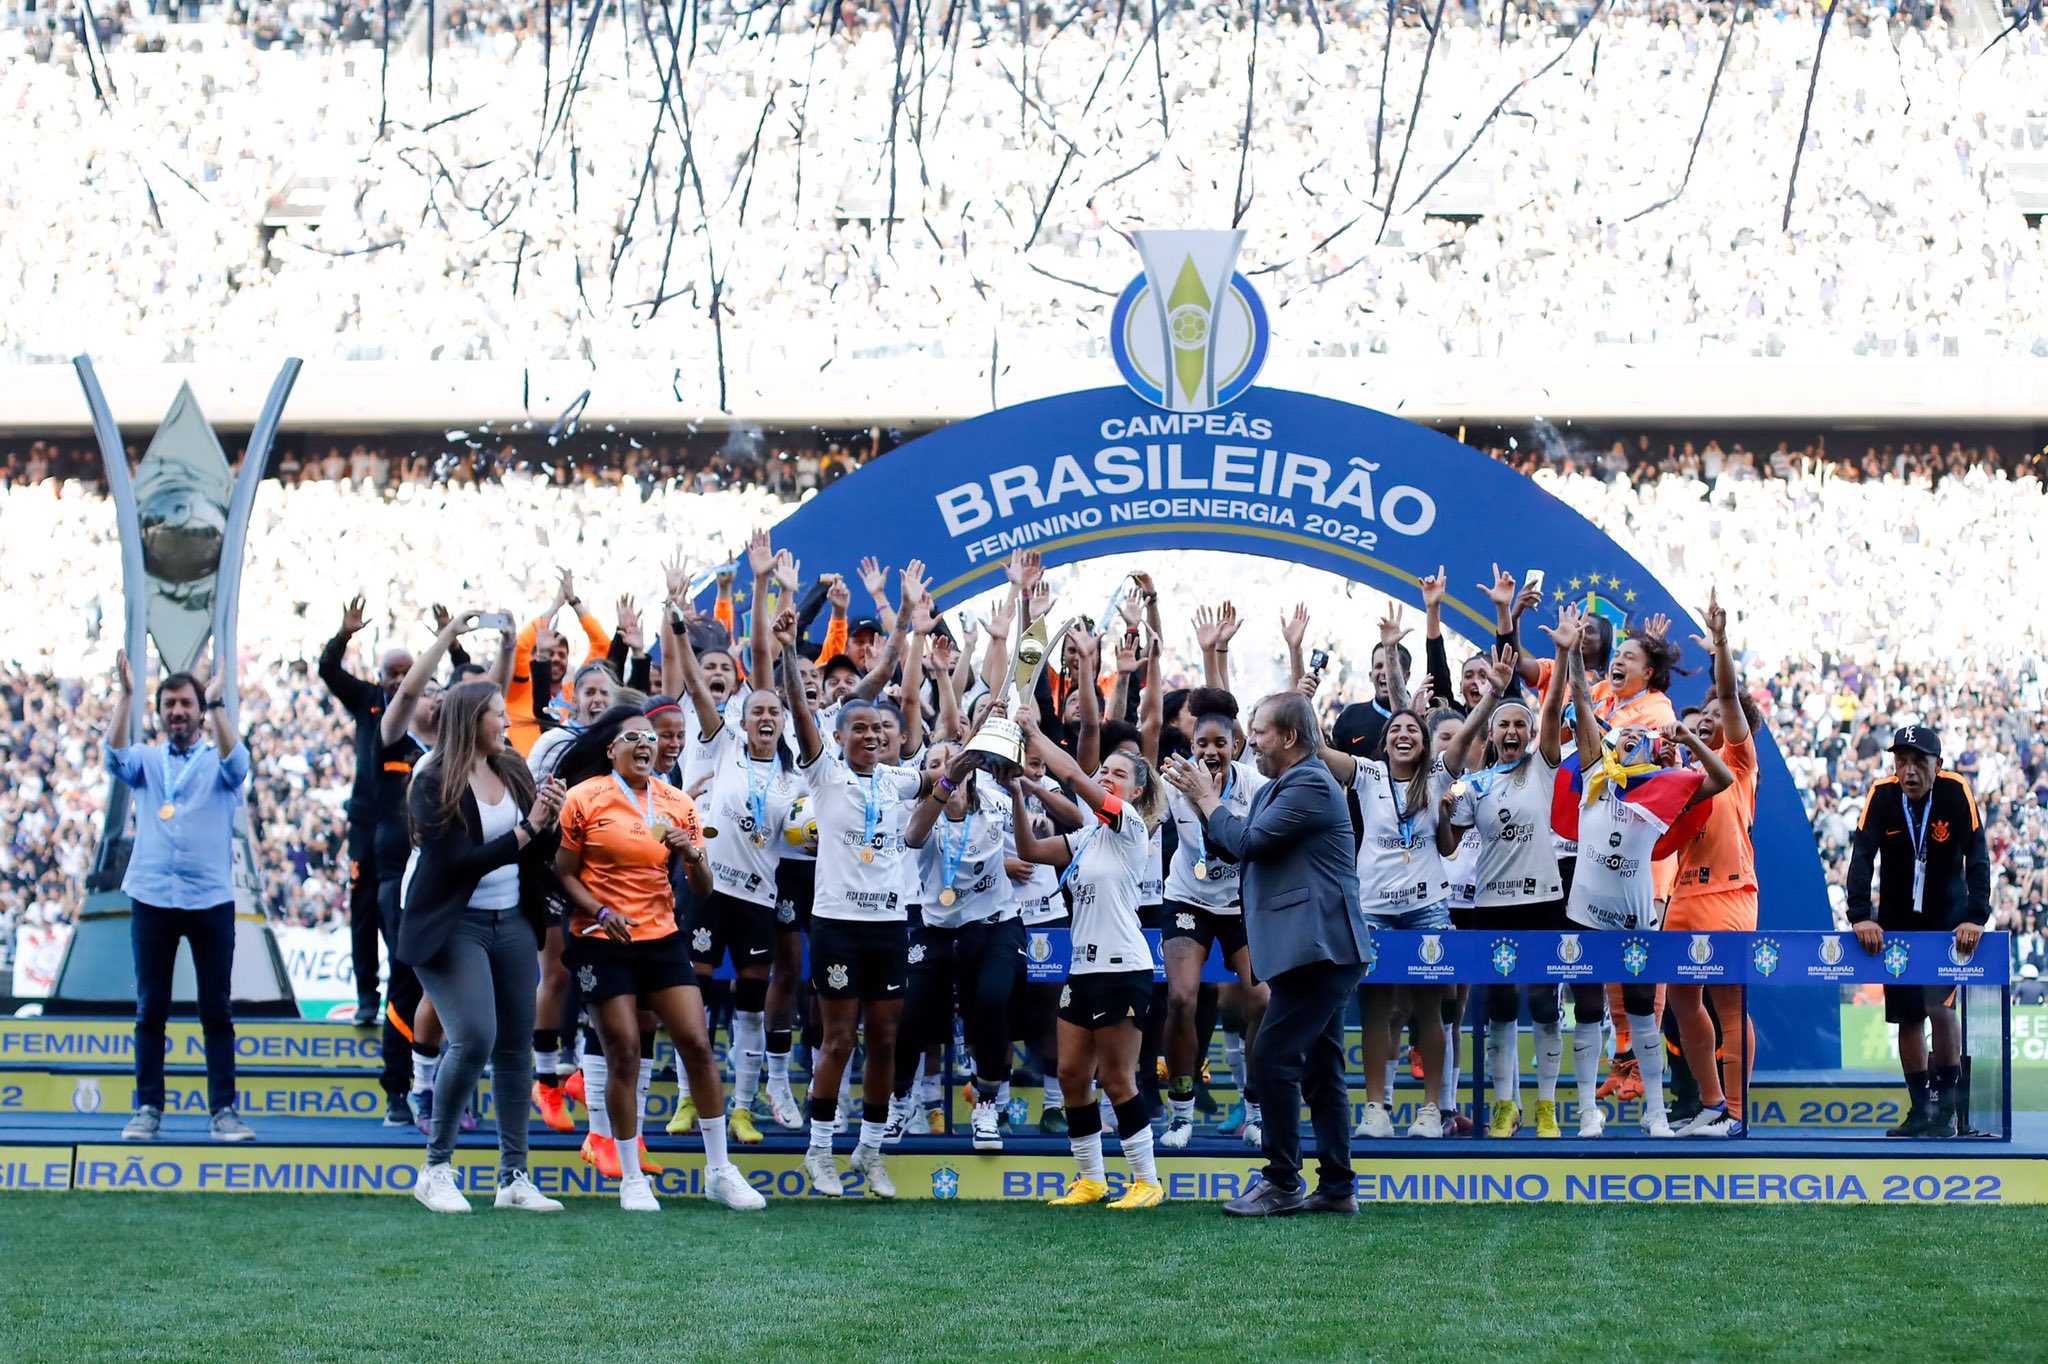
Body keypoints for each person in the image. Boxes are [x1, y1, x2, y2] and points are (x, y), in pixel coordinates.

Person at [1167, 690, 1371, 1218]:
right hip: (1310, 950)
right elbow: (1230, 844)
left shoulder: (1309, 784)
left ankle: (1282, 1180)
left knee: (1274, 1057)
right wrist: (1203, 801)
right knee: (1321, 1068)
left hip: (1322, 950)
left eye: (1257, 731)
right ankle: (1338, 1185)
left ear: (1290, 737)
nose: (1249, 740)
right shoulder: (1281, 786)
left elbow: (1251, 842)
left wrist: (1209, 804)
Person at [552, 716, 768, 1212]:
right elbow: (562, 873)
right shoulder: (584, 797)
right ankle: (631, 1177)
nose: (646, 744)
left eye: (651, 739)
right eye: (634, 737)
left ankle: (719, 1171)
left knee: (696, 1042)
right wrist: (600, 912)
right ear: (611, 750)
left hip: (662, 937)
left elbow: (704, 887)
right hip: (601, 939)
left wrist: (692, 854)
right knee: (625, 1051)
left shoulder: (678, 803)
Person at [1552, 606, 1729, 1139]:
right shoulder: (1590, 782)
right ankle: (1586, 1112)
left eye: (1634, 741)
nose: (1622, 742)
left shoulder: (1661, 795)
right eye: (1616, 740)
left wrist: (1689, 742)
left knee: (1642, 1015)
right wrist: (1572, 654)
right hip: (1585, 916)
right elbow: (1582, 702)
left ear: (1652, 754)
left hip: (1633, 922)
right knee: (1586, 1012)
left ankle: (1655, 1111)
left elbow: (1718, 779)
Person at [396, 680, 569, 1214]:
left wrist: (550, 820)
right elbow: (458, 862)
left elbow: (535, 848)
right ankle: (436, 1168)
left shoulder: (513, 768)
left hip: (512, 918)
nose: (507, 723)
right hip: (452, 923)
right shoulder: (431, 779)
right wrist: (529, 828)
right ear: (472, 719)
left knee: (516, 1046)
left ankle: (514, 1177)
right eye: (498, 714)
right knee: (474, 1037)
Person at [787, 577, 928, 1200]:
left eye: (880, 730)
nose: (871, 736)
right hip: (838, 923)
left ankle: (870, 1154)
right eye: (859, 729)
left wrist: (974, 755)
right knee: (838, 1039)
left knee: (887, 1041)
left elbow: (937, 784)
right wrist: (791, 659)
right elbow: (799, 712)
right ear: (838, 737)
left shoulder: (897, 780)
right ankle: (819, 1153)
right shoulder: (824, 774)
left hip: (890, 927)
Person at [1009, 704, 1170, 1211]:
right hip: (1082, 969)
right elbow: (1031, 852)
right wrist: (1019, 790)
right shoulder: (1088, 838)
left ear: (1136, 791)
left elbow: (1075, 775)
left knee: (1117, 1078)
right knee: (1073, 1075)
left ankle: (1146, 1180)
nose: (1107, 776)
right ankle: (1092, 1179)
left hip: (1124, 968)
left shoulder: (1130, 828)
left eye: (1119, 773)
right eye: (1107, 771)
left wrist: (1033, 732)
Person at [108, 653, 257, 1145]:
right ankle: (148, 1107)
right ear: (159, 711)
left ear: (199, 709)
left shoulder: (217, 759)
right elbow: (113, 757)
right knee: (151, 1008)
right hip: (152, 895)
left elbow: (241, 766)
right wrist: (127, 696)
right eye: (169, 703)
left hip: (210, 898)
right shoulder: (148, 760)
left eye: (186, 703)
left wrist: (218, 705)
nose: (177, 711)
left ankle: (224, 1112)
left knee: (216, 1009)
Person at [1438, 645, 1570, 1138]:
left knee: (1543, 1001)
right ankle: (1504, 1107)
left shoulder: (1543, 768)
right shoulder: (1476, 785)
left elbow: (1553, 706)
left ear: (1531, 734)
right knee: (1499, 1007)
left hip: (1542, 902)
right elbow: (1449, 849)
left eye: (1520, 725)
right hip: (1491, 906)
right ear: (1491, 736)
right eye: (1503, 726)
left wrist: (1561, 651)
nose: (1511, 732)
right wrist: (1442, 815)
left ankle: (1548, 1107)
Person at [1846, 724, 1992, 1138]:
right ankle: (1920, 1110)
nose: (1908, 772)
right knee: (1907, 1017)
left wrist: (1976, 916)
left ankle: (1946, 1109)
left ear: (1937, 765)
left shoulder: (1955, 790)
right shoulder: (1881, 794)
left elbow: (1977, 854)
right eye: (1901, 761)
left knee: (1940, 1008)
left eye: (1918, 762)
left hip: (1948, 922)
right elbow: (1862, 855)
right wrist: (1861, 915)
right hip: (1895, 922)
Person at [1667, 589, 1763, 1137]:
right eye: (1698, 718)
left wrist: (1720, 645)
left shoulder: (1739, 761)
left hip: (1729, 895)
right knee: (1681, 1000)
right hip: (1684, 896)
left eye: (1714, 718)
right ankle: (1709, 1104)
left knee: (1729, 1001)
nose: (1705, 722)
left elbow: (1725, 692)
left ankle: (1738, 1115)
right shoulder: (1680, 772)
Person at [1158, 693, 1268, 1150]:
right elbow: (1135, 820)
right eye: (1201, 743)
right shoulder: (1174, 781)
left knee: (1262, 999)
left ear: (1237, 745)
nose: (1209, 752)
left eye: (1219, 743)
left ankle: (1257, 1108)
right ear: (1191, 744)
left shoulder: (1258, 785)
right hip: (1188, 896)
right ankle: (1181, 1111)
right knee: (1182, 998)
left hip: (1242, 901)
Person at [900, 736, 1019, 1151]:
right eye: (937, 762)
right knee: (911, 1011)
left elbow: (1034, 832)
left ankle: (986, 1105)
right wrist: (944, 785)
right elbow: (913, 838)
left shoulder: (993, 802)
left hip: (994, 923)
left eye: (956, 759)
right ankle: (901, 1101)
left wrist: (1024, 799)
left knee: (991, 998)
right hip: (937, 925)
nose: (949, 765)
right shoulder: (921, 810)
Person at [318, 593, 422, 1026]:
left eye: (406, 673)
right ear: (380, 678)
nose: (399, 681)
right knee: (362, 913)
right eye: (392, 674)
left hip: (407, 834)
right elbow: (327, 670)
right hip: (365, 826)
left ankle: (406, 1000)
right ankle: (366, 997)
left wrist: (453, 646)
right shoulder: (366, 700)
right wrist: (344, 635)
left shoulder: (430, 711)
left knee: (399, 913)